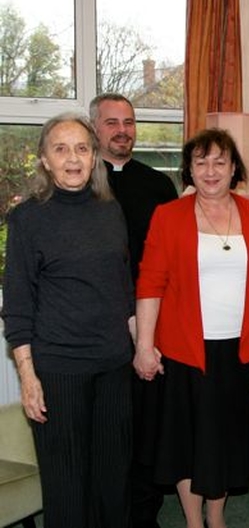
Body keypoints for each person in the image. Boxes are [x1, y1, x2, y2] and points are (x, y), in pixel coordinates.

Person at [1, 113, 134, 528]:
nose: (72, 158)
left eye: (81, 148)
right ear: (44, 159)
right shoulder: (26, 220)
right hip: (59, 372)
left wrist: (141, 348)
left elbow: (123, 290)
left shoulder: (110, 212)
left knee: (113, 487)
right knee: (67, 491)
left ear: (94, 156)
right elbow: (18, 306)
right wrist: (28, 377)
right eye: (61, 149)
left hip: (114, 367)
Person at [133, 128, 249, 528]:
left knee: (224, 440)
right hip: (184, 350)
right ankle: (194, 521)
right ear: (189, 170)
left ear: (233, 169)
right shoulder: (169, 216)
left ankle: (217, 516)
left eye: (219, 162)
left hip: (236, 350)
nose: (210, 171)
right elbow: (149, 284)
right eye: (201, 162)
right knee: (187, 443)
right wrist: (144, 346)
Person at [90, 92, 178, 528]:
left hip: (151, 321)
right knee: (105, 428)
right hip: (97, 324)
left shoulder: (158, 184)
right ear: (95, 128)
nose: (122, 130)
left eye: (128, 121)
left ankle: (144, 514)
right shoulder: (81, 183)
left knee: (147, 425)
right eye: (111, 122)